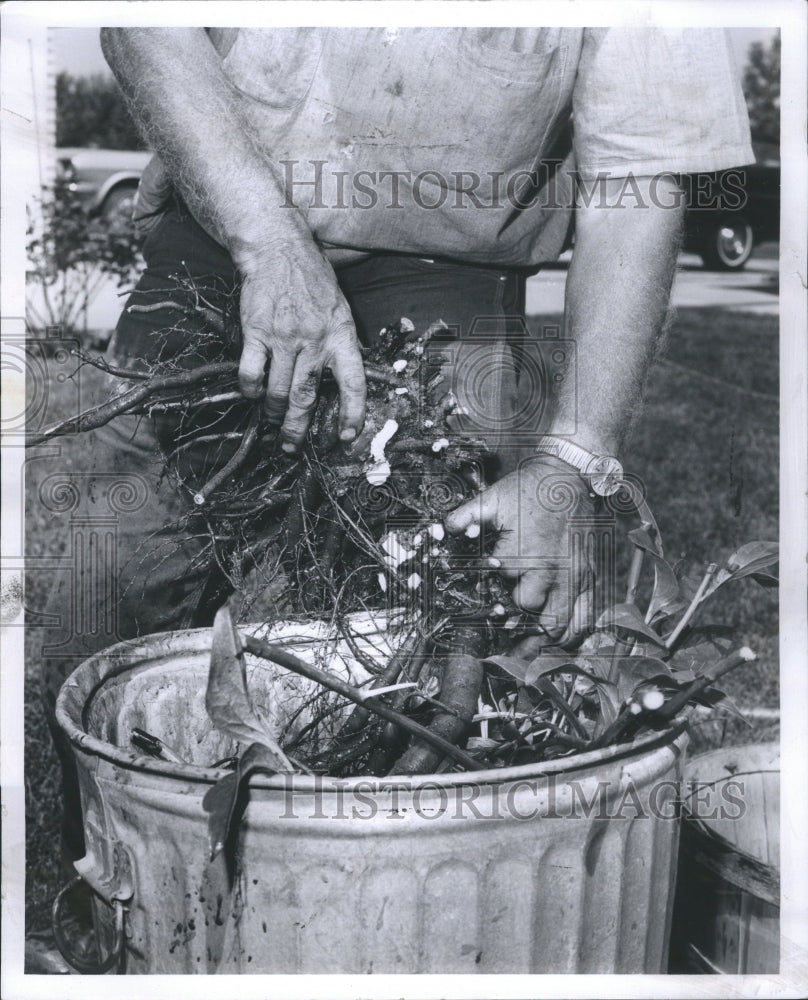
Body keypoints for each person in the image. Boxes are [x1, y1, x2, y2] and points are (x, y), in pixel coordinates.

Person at [36, 26, 752, 860]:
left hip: (448, 281)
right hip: (217, 226)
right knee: (114, 592)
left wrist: (576, 459)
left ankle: (352, 899)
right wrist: (265, 239)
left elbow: (642, 168)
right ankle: (96, 899)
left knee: (428, 641)